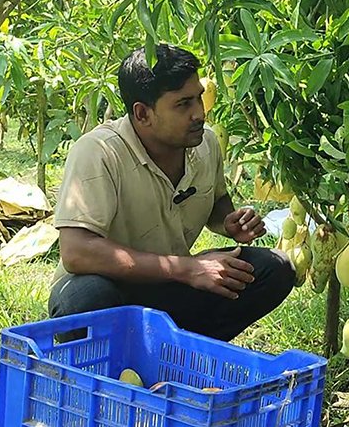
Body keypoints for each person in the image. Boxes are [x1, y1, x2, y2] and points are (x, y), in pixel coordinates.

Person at [48, 44, 295, 341]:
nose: (199, 113)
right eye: (183, 104)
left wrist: (229, 220)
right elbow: (77, 252)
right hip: (113, 289)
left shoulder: (205, 145)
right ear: (142, 114)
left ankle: (184, 352)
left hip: (171, 286)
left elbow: (216, 199)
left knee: (274, 270)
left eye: (199, 99)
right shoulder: (99, 152)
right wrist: (188, 268)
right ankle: (119, 366)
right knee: (84, 300)